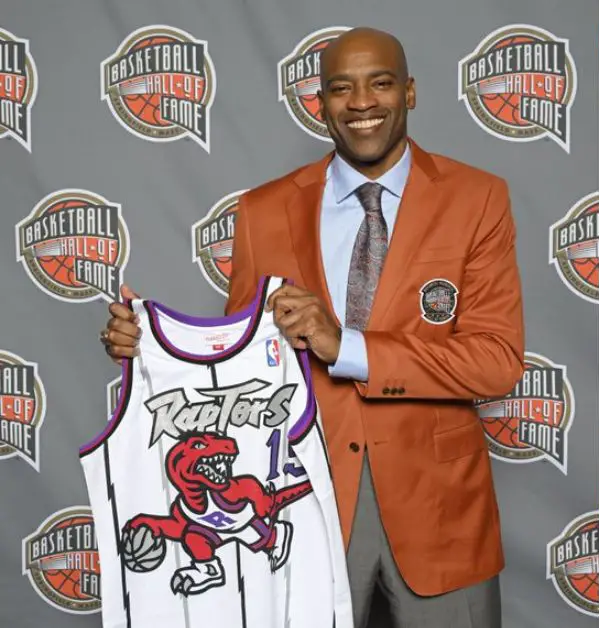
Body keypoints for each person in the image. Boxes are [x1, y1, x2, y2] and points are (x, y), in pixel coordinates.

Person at [99, 27, 523, 628]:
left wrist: (344, 346)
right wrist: (148, 350)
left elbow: (495, 360)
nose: (362, 103)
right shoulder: (263, 209)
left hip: (441, 512)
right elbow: (237, 368)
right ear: (319, 102)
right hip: (301, 505)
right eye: (340, 88)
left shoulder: (477, 198)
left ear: (410, 91)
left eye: (380, 83)